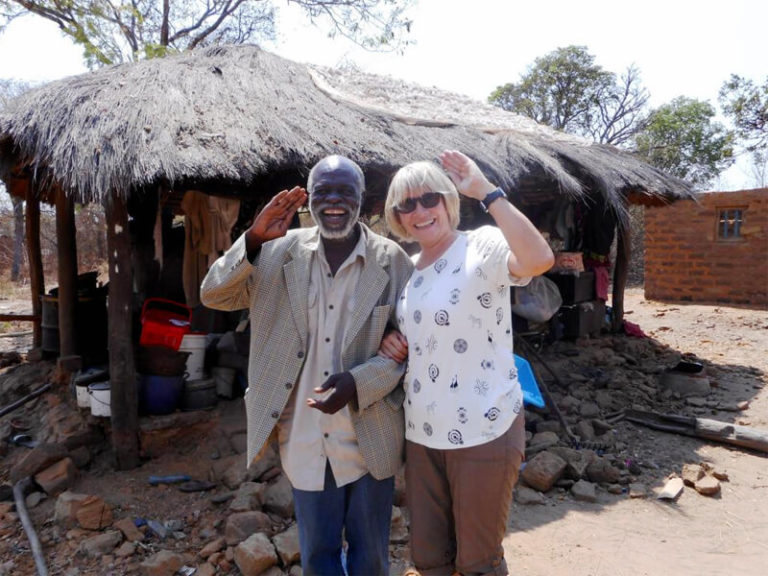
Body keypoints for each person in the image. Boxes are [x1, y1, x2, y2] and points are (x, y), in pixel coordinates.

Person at [200, 155, 413, 576]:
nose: (334, 201)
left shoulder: (392, 261)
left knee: (371, 558)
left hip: (370, 434)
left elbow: (415, 348)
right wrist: (254, 240)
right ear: (309, 201)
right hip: (305, 438)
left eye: (344, 191)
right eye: (323, 192)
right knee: (318, 557)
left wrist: (360, 382)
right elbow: (214, 295)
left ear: (362, 199)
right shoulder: (276, 254)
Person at [378, 150, 554, 576]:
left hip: (484, 428)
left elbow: (538, 260)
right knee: (429, 558)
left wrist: (489, 193)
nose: (419, 211)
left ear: (448, 202)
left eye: (429, 199)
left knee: (478, 561)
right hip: (423, 433)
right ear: (397, 216)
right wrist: (391, 341)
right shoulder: (407, 270)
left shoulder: (483, 244)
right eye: (407, 204)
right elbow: (410, 332)